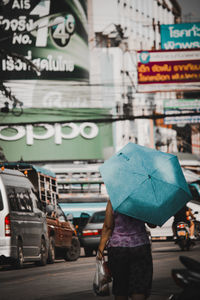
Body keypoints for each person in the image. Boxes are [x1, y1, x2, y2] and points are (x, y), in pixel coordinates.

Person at [97, 199, 156, 300]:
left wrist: (100, 249)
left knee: (120, 287)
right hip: (140, 246)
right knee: (139, 288)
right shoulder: (142, 199)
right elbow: (152, 224)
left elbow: (107, 226)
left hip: (118, 249)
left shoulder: (114, 199)